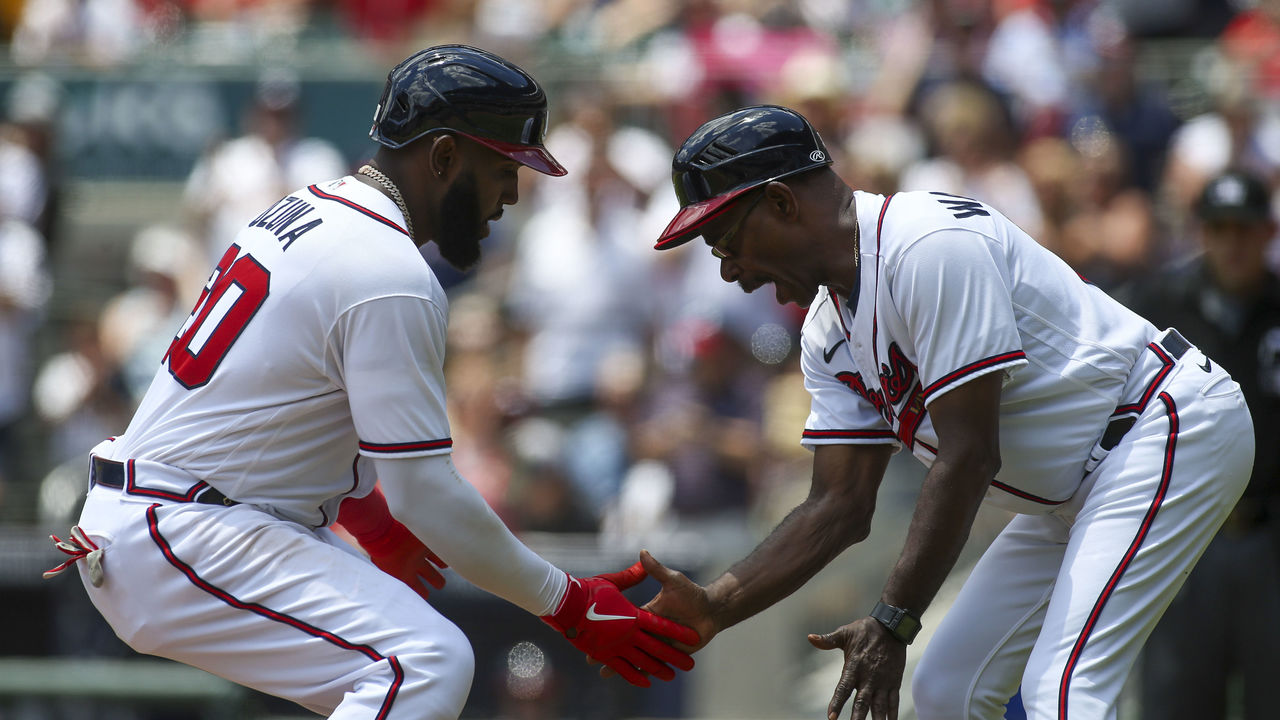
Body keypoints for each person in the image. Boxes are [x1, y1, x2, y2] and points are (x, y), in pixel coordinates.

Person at [41, 45, 697, 720]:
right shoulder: (390, 273)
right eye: (502, 166)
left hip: (181, 514)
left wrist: (369, 517)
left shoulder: (306, 211)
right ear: (443, 157)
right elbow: (427, 494)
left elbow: (289, 403)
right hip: (183, 524)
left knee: (401, 667)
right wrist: (570, 602)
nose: (511, 193)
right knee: (425, 664)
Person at [636, 105, 1255, 720]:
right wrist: (716, 606)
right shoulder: (828, 332)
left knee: (1064, 693)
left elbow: (968, 455)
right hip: (1076, 486)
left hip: (1160, 425)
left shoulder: (926, 244)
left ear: (781, 203)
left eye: (726, 238)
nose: (727, 267)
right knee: (945, 691)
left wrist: (892, 619)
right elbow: (837, 505)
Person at [1117, 169, 1280, 720]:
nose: (1232, 243)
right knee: (1176, 698)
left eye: (1244, 229)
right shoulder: (1158, 305)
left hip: (1270, 536)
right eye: (1220, 228)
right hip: (1184, 537)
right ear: (1202, 232)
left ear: (1267, 232)